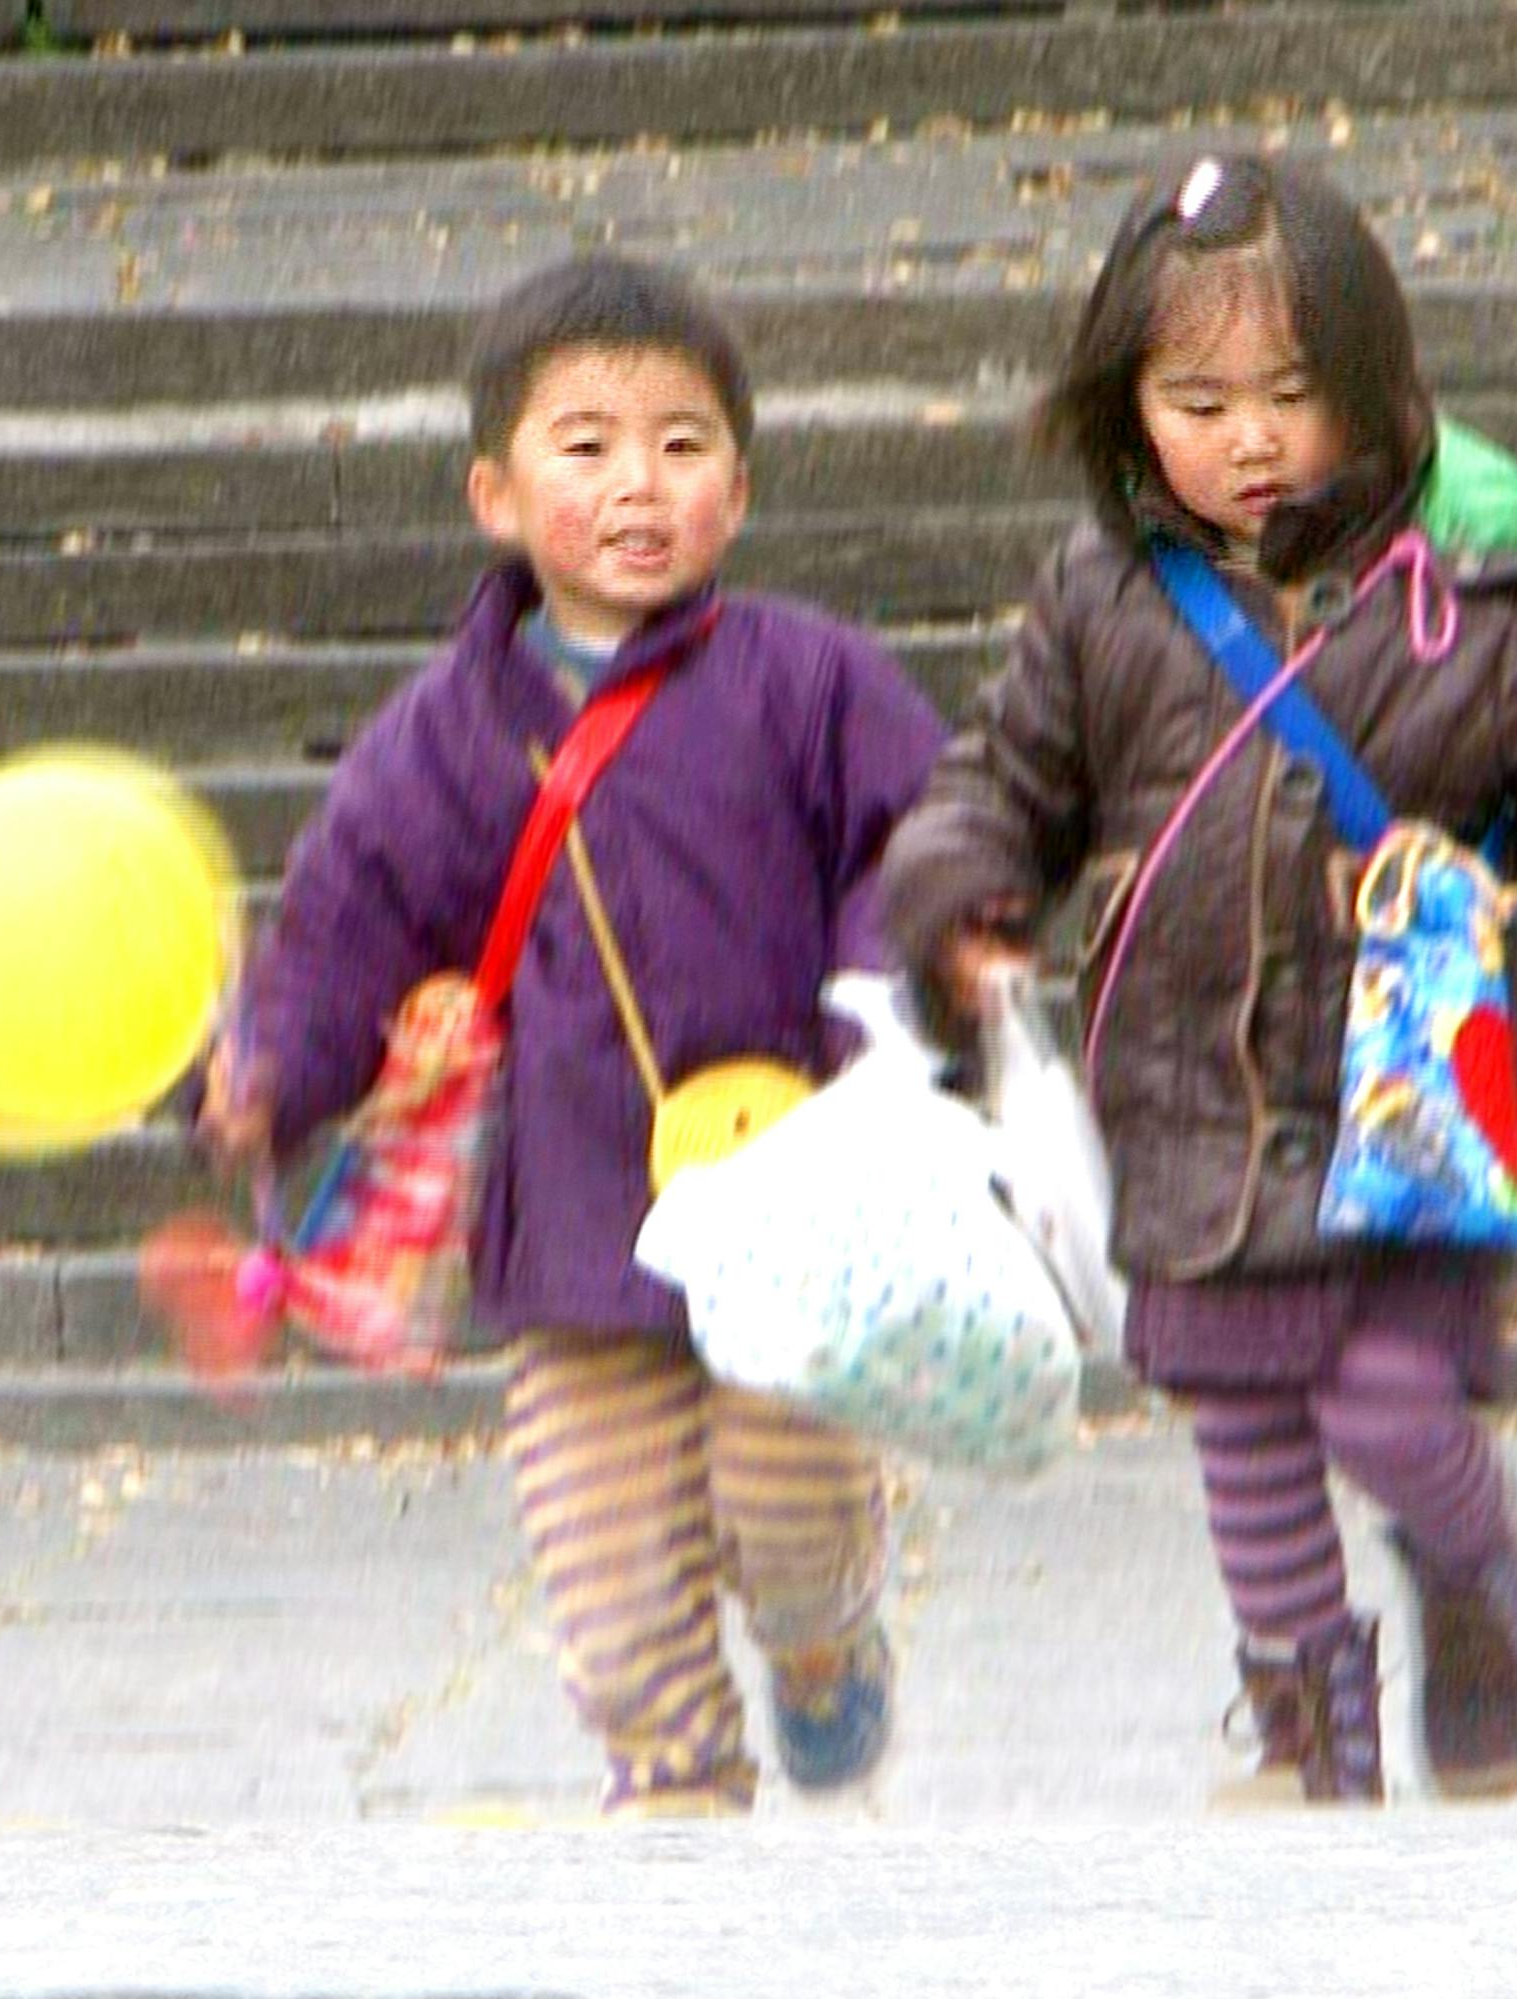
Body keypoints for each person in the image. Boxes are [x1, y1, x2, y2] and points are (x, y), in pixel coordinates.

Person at [880, 154, 1517, 1806]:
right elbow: (999, 781)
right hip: (1191, 1093)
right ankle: (1308, 1717)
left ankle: (1473, 1577)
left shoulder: (1478, 593)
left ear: (1374, 389)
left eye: (1291, 395)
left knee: (1390, 1396)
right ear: (1127, 401)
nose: (1247, 438)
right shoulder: (1101, 595)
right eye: (1197, 399)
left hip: (1409, 1104)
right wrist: (959, 893)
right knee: (1241, 1425)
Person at [196, 254, 947, 1817]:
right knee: (610, 1605)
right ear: (494, 490)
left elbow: (922, 846)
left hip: (795, 1209)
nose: (635, 484)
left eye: (681, 446)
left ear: (735, 493)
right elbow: (345, 925)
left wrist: (885, 1013)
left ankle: (822, 1640)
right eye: (585, 444)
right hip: (578, 1231)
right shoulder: (443, 736)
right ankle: (678, 1814)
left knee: (785, 1505)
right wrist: (270, 1073)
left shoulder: (809, 683)